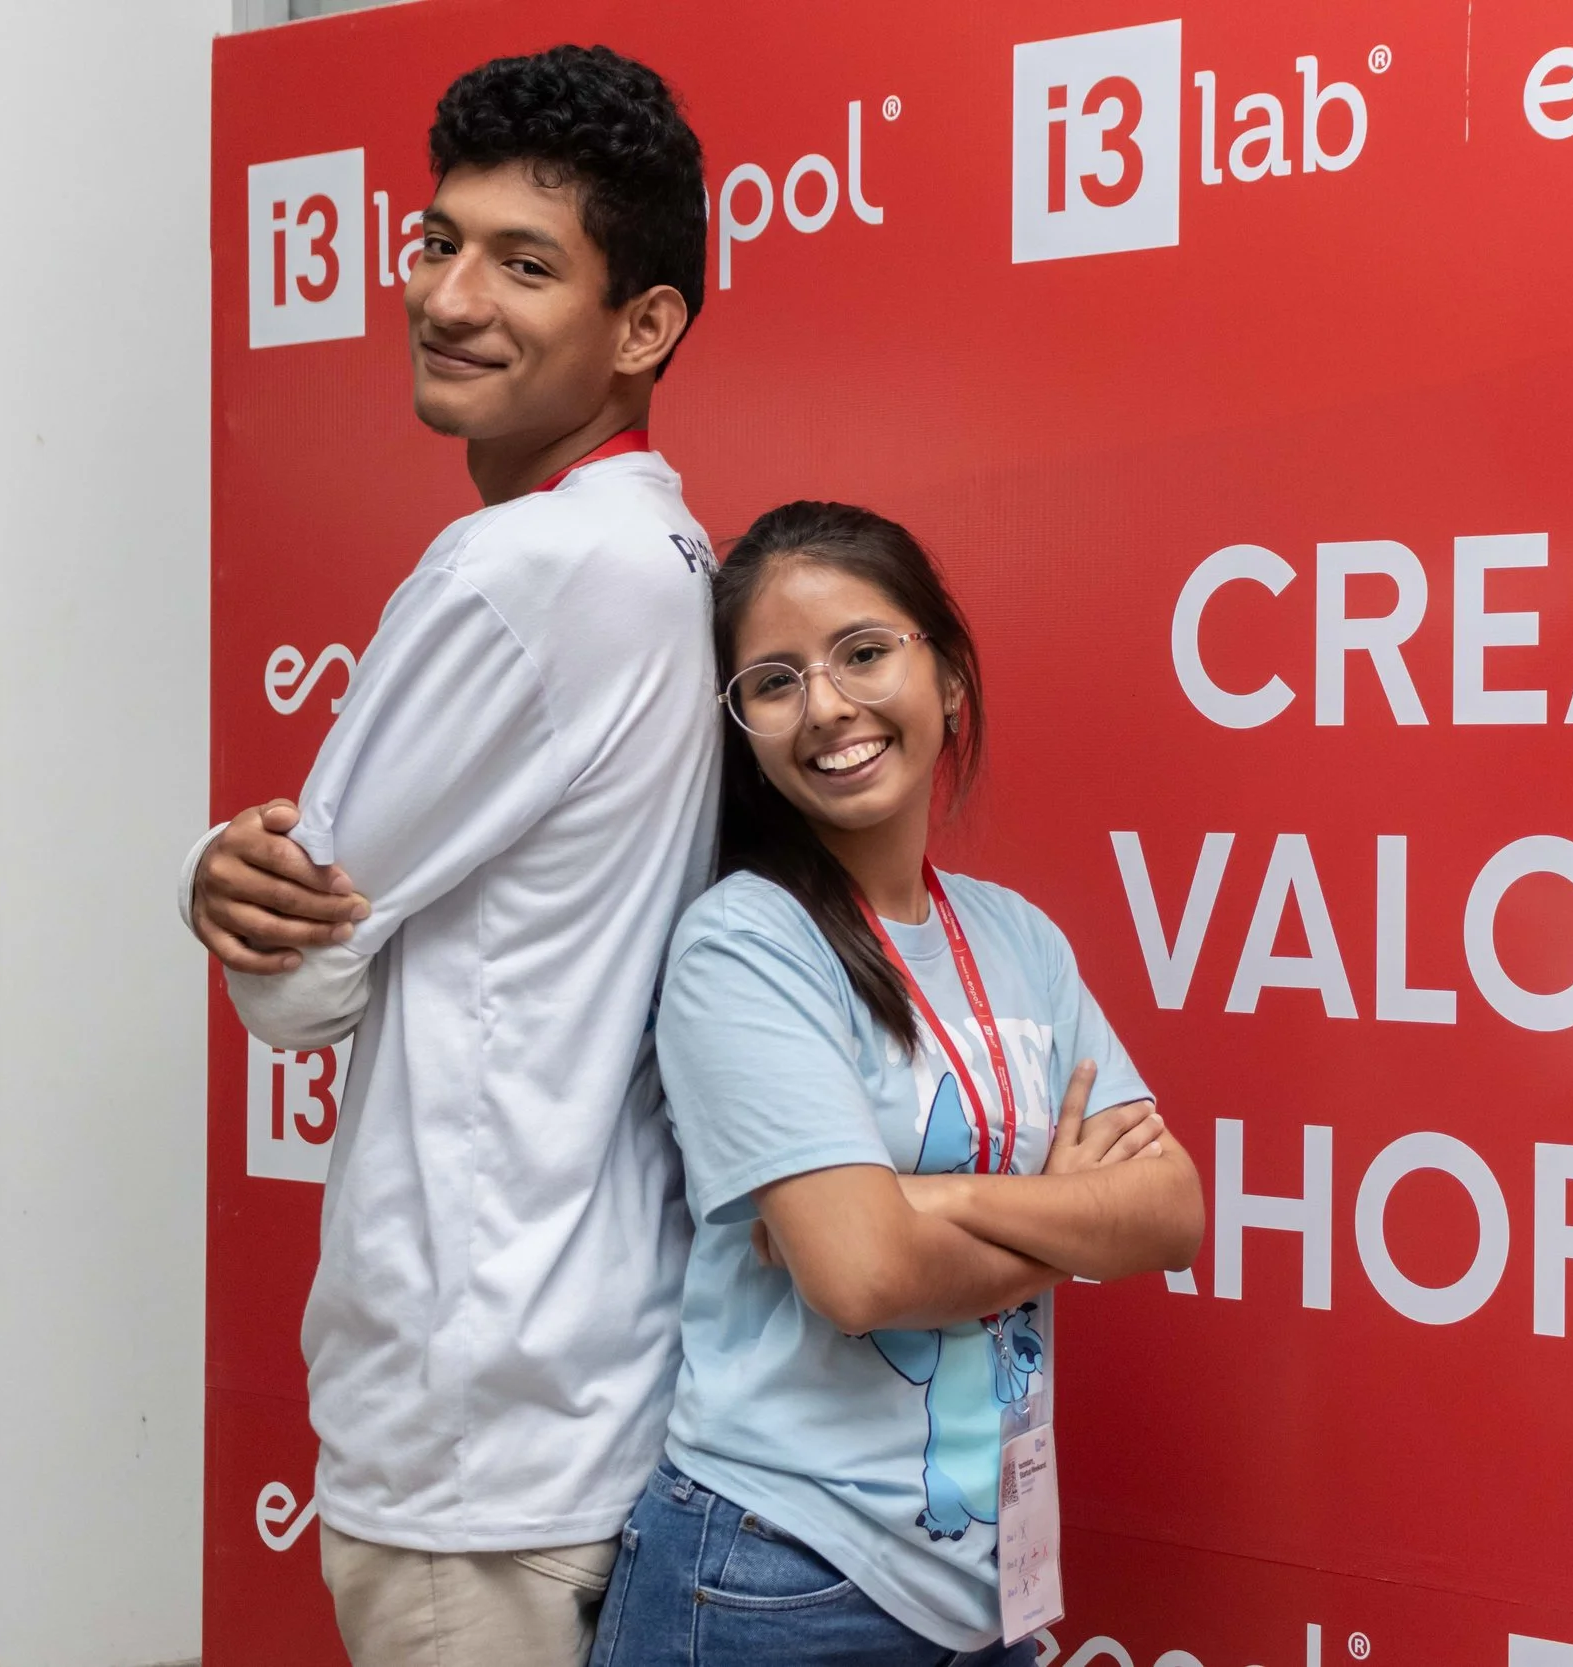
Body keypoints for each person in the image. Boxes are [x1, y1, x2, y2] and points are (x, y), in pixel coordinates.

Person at [180, 46, 717, 1667]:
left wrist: (221, 878)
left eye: (525, 264)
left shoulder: (521, 564)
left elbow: (291, 984)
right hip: (595, 1392)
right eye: (437, 242)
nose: (448, 296)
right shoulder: (667, 547)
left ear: (644, 327)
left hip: (479, 1443)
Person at [595, 502, 1204, 1666]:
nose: (827, 705)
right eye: (775, 682)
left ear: (949, 676)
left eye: (863, 652)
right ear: (742, 728)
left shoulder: (1019, 938)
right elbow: (861, 1274)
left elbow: (1169, 1210)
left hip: (983, 1591)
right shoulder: (745, 943)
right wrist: (1064, 1212)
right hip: (773, 1575)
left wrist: (932, 1199)